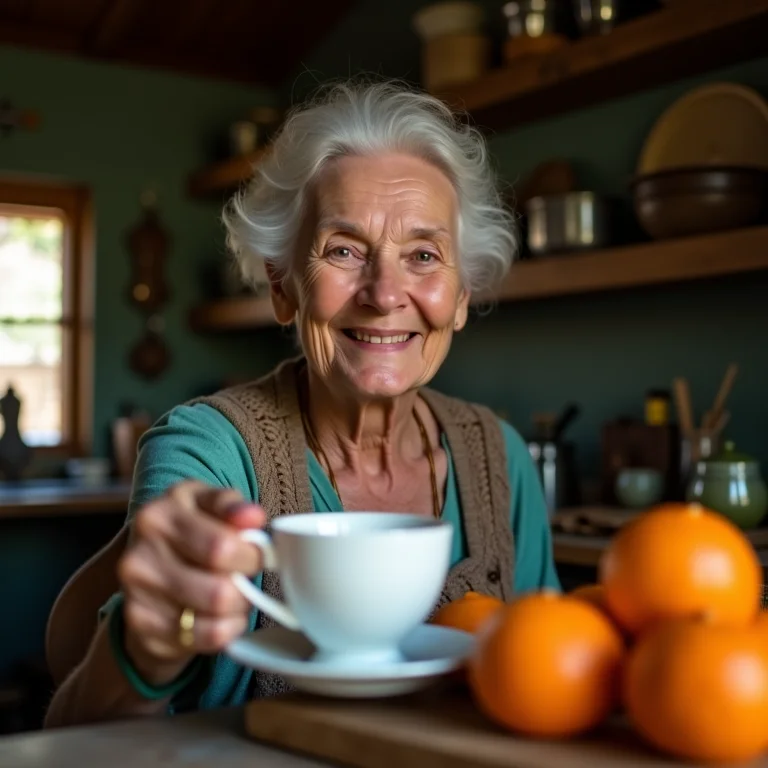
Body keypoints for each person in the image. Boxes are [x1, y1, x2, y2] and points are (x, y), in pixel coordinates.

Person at [45, 79, 560, 727]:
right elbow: (91, 737)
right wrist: (145, 647)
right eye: (344, 250)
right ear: (283, 287)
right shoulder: (207, 453)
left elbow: (552, 682)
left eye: (423, 255)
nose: (385, 293)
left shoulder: (498, 459)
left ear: (460, 297)